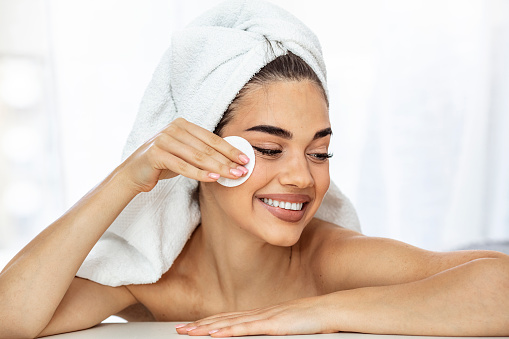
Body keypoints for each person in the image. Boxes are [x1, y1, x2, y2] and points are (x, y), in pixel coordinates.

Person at [1, 1, 508, 338]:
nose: (302, 178)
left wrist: (320, 311)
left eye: (319, 151)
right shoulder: (151, 278)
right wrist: (128, 178)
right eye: (269, 148)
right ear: (198, 150)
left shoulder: (327, 264)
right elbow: (10, 318)